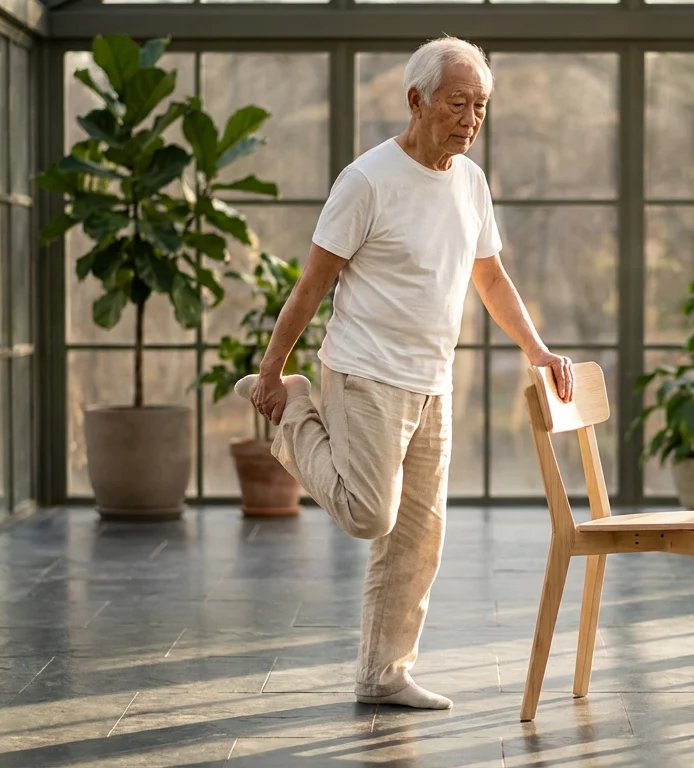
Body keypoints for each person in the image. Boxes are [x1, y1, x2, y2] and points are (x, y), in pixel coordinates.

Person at [235, 36, 573, 710]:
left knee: (416, 539)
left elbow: (491, 277)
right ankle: (296, 413)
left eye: (480, 107)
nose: (470, 119)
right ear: (415, 100)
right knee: (369, 515)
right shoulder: (366, 181)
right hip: (365, 373)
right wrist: (275, 373)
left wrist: (537, 350)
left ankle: (383, 673)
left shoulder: (471, 183)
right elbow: (311, 286)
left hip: (433, 382)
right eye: (457, 103)